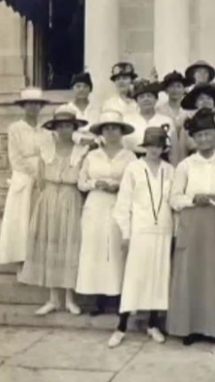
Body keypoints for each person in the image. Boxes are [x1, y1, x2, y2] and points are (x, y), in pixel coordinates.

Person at [167, 109, 215, 345]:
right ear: (194, 139)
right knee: (190, 273)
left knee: (214, 274)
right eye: (200, 136)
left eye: (209, 135)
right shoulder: (186, 165)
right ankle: (189, 328)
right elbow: (174, 198)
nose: (205, 140)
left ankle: (214, 329)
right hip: (192, 221)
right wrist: (192, 199)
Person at [108, 126, 175, 347]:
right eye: (151, 145)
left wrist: (174, 232)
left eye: (158, 145)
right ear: (145, 147)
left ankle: (153, 324)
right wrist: (126, 234)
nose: (154, 149)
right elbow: (123, 205)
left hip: (163, 230)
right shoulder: (134, 168)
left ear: (163, 147)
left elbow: (173, 203)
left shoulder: (169, 170)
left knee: (159, 277)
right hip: (140, 231)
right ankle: (121, 327)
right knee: (135, 278)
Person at [18, 104, 87, 315]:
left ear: (74, 127)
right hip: (49, 200)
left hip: (71, 198)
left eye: (68, 126)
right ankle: (53, 298)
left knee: (69, 246)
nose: (64, 130)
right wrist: (47, 197)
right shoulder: (46, 151)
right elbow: (39, 179)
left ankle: (69, 299)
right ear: (54, 128)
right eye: (60, 126)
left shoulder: (82, 151)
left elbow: (83, 179)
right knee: (51, 245)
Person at [75, 111, 137, 316]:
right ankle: (95, 298)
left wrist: (119, 186)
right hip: (95, 205)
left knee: (115, 249)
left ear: (121, 132)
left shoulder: (129, 156)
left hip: (118, 205)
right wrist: (96, 183)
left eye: (115, 128)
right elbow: (81, 183)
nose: (111, 132)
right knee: (95, 249)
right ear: (101, 132)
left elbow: (136, 183)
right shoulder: (92, 156)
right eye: (107, 128)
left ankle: (117, 297)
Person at [0, 88, 52, 265]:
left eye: (37, 104)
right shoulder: (15, 129)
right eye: (30, 104)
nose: (33, 107)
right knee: (21, 217)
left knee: (39, 217)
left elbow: (50, 153)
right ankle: (20, 259)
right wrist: (33, 173)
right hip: (24, 176)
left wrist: (43, 174)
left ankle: (37, 259)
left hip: (43, 175)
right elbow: (15, 156)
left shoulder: (46, 131)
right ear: (23, 106)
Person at [123, 79, 180, 164]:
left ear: (156, 99)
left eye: (149, 96)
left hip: (162, 161)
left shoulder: (167, 120)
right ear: (136, 101)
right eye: (141, 97)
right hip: (134, 162)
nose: (146, 99)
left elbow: (174, 152)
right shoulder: (127, 120)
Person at [179, 83, 215, 155]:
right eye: (201, 99)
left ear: (214, 102)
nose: (205, 101)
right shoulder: (188, 124)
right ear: (195, 103)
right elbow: (182, 151)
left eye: (209, 98)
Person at [68, 71, 100, 155]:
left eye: (85, 86)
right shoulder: (67, 109)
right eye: (78, 86)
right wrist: (81, 139)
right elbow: (64, 131)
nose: (81, 89)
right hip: (74, 148)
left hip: (96, 149)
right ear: (72, 88)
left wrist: (96, 143)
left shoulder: (97, 109)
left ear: (90, 89)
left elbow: (103, 129)